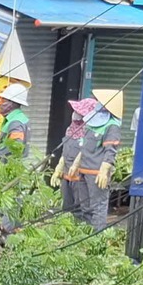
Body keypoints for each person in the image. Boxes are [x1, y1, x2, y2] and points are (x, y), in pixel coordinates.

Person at [52, 89, 124, 230]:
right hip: (83, 171)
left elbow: (110, 152)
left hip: (96, 173)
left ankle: (96, 237)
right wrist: (75, 165)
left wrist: (104, 171)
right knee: (85, 208)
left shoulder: (111, 126)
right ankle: (84, 234)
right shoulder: (92, 124)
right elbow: (84, 148)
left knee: (97, 207)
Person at [0, 82, 31, 163]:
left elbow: (14, 147)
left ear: (11, 103)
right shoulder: (17, 118)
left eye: (3, 100)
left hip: (6, 170)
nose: (0, 103)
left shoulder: (16, 122)